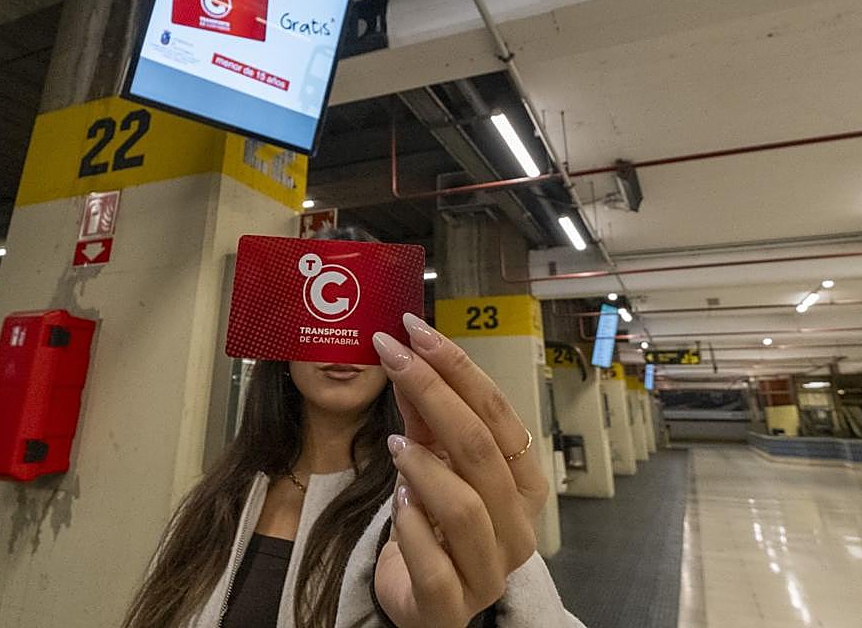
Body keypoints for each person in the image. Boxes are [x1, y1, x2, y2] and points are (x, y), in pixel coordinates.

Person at [122, 244, 582, 627]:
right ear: (286, 341)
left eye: (365, 323)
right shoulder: (222, 496)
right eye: (320, 319)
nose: (341, 341)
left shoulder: (437, 504)